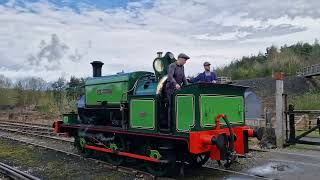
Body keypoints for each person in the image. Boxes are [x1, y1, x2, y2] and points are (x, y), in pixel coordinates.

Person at [164, 53, 189, 131]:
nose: (185, 62)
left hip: (178, 89)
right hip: (170, 89)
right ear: (180, 59)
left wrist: (187, 86)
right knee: (171, 106)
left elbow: (184, 77)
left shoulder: (182, 67)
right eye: (185, 60)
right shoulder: (172, 65)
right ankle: (170, 126)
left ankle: (179, 124)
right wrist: (176, 84)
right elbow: (170, 77)